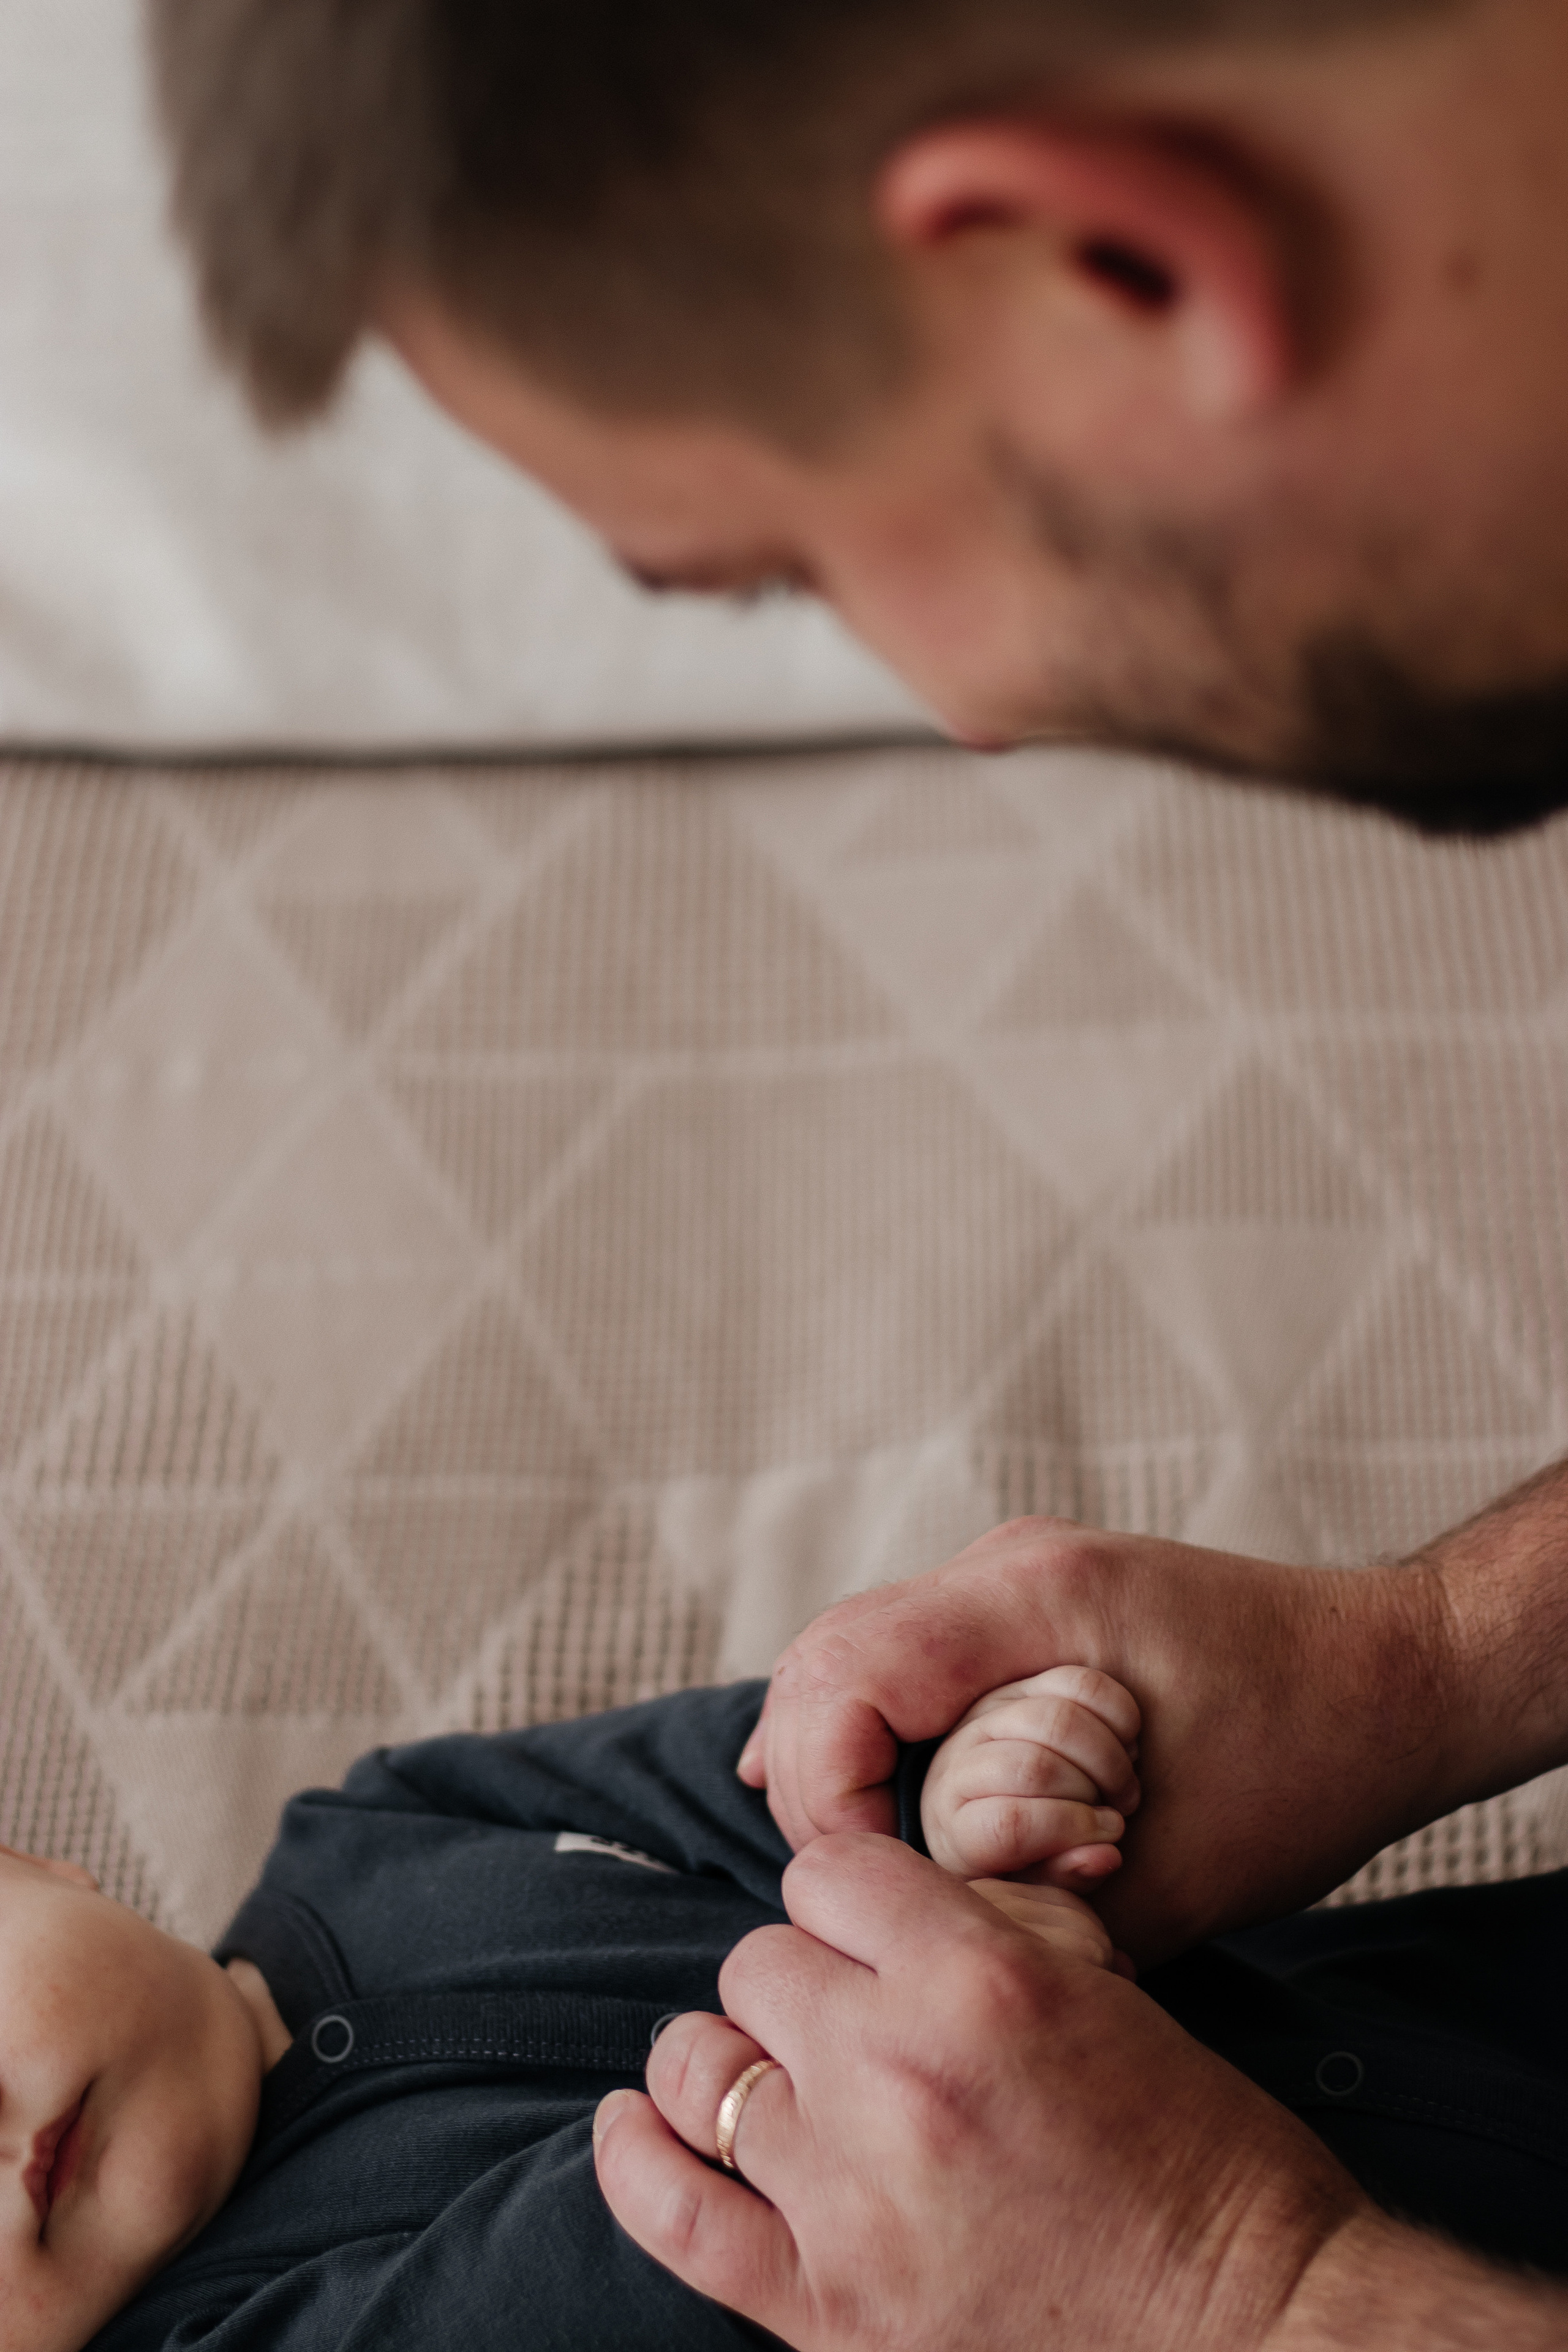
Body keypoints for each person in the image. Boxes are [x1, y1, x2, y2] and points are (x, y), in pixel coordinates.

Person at [142, 0, 1568, 2342]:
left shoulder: (383, 1834)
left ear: (1110, 265)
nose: (970, 713)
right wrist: (1426, 1663)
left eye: (790, 562)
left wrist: (1247, 2296)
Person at [6, 1672, 1136, 2351]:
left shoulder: (382, 1818)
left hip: (1249, 1986)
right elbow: (631, 2292)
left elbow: (741, 1774)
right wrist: (939, 1968)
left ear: (37, 1867)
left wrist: (949, 1800)